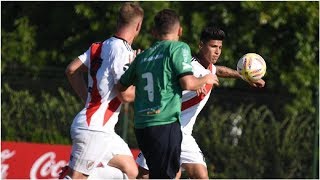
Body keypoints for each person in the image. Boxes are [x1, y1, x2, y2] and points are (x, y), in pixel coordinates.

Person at [135, 26, 265, 179]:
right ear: (201, 45)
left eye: (220, 47)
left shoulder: (208, 67)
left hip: (184, 133)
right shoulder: (189, 66)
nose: (217, 51)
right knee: (145, 176)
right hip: (166, 128)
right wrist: (194, 84)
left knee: (200, 175)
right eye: (213, 46)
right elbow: (174, 84)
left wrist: (243, 76)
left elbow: (218, 70)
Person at [117, 9, 219, 179]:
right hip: (165, 123)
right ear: (180, 31)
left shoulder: (143, 57)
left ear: (154, 32)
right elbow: (188, 82)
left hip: (142, 127)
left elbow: (122, 89)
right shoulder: (178, 48)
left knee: (159, 174)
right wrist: (205, 79)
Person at [61, 2, 144, 179]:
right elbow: (126, 94)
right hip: (94, 128)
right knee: (77, 177)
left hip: (103, 128)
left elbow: (71, 70)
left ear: (118, 21)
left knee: (131, 172)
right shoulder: (123, 51)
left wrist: (87, 100)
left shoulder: (98, 46)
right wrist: (143, 83)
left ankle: (76, 174)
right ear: (138, 26)